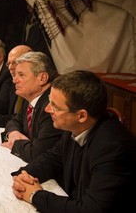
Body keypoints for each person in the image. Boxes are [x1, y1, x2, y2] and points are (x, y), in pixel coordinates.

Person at [11, 70, 136, 212]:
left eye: (55, 106)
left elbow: (90, 209)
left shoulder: (113, 147)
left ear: (81, 116)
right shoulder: (75, 126)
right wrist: (24, 175)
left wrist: (35, 196)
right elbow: (53, 158)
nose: (47, 109)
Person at [1, 51, 62, 162]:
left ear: (42, 78)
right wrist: (13, 133)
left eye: (21, 75)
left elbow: (36, 154)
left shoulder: (52, 106)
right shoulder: (31, 97)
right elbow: (14, 121)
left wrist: (15, 142)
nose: (14, 80)